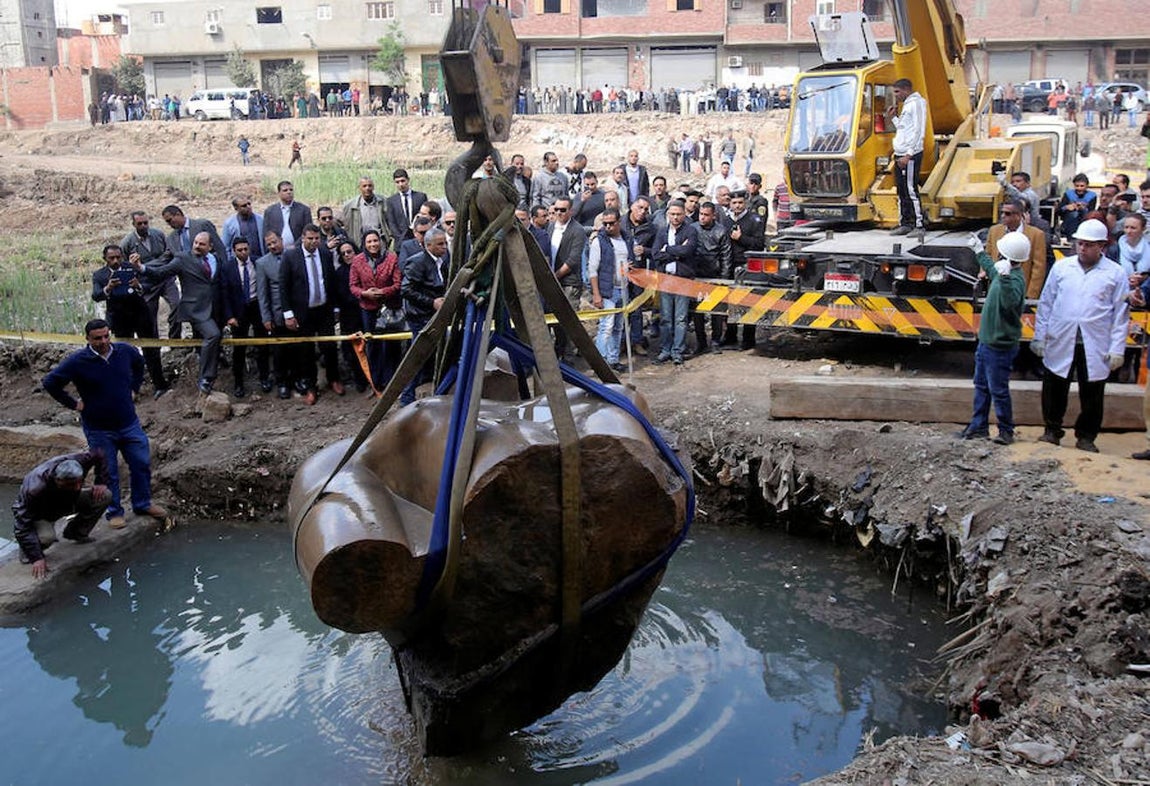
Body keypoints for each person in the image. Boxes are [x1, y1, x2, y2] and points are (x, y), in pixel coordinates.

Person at [41, 319, 168, 533]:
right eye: (97, 338)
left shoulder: (125, 351)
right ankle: (114, 511)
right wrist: (74, 404)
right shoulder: (77, 361)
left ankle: (142, 503)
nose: (103, 341)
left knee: (141, 462)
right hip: (99, 428)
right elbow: (50, 382)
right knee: (108, 471)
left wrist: (134, 388)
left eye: (106, 336)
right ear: (87, 339)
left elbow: (139, 364)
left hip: (128, 423)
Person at [1032, 219, 1129, 452]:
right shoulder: (1062, 268)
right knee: (1055, 385)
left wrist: (1117, 348)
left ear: (1102, 246)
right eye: (1080, 243)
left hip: (1095, 342)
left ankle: (1086, 436)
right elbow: (1046, 303)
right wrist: (1039, 335)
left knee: (1092, 391)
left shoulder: (1115, 273)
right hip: (1061, 337)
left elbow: (1120, 314)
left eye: (1089, 245)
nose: (1083, 248)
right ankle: (1052, 430)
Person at [957, 233, 1030, 445]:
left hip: (1000, 346)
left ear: (1005, 255)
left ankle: (1006, 431)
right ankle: (978, 426)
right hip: (987, 342)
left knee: (998, 390)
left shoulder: (1014, 280)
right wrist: (979, 252)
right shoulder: (1003, 273)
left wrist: (1005, 279)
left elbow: (1009, 303)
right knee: (981, 385)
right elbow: (991, 269)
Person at [143, 231, 225, 394]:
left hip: (216, 309)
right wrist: (142, 268)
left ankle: (214, 366)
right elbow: (162, 272)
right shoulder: (183, 259)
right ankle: (206, 378)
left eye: (202, 244)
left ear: (210, 247)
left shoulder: (216, 259)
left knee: (210, 340)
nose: (197, 246)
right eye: (195, 242)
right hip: (195, 310)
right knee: (213, 335)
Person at [12, 452, 111, 578]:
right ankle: (28, 551)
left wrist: (100, 481)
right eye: (71, 484)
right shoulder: (34, 489)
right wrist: (36, 557)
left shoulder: (79, 461)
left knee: (104, 496)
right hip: (41, 513)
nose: (77, 487)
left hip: (68, 501)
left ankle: (76, 532)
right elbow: (21, 525)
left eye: (79, 482)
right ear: (58, 480)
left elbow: (100, 455)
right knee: (47, 538)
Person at [91, 243, 170, 397]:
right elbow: (96, 295)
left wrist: (138, 285)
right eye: (111, 258)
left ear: (122, 256)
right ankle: (129, 387)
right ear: (104, 259)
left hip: (141, 315)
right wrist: (108, 288)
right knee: (123, 353)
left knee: (151, 350)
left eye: (118, 257)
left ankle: (160, 385)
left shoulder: (133, 268)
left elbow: (150, 283)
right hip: (119, 319)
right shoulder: (99, 275)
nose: (115, 261)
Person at [279, 223, 342, 405]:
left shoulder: (325, 253)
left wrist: (335, 308)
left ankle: (333, 379)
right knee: (305, 351)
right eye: (310, 239)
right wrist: (288, 314)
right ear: (303, 238)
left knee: (329, 347)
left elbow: (331, 282)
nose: (314, 242)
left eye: (317, 238)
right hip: (303, 312)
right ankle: (311, 387)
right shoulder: (291, 257)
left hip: (324, 310)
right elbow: (283, 287)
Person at [349, 230, 403, 393]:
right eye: (369, 242)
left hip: (389, 308)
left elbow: (398, 283)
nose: (373, 244)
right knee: (372, 345)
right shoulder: (357, 261)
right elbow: (353, 285)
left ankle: (391, 380)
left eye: (375, 241)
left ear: (380, 242)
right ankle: (376, 381)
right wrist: (365, 293)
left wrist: (383, 292)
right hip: (368, 309)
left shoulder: (391, 258)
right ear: (364, 244)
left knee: (391, 345)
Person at [400, 229, 450, 405]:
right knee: (418, 356)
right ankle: (407, 397)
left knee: (441, 353)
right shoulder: (417, 262)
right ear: (429, 245)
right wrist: (431, 302)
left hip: (435, 316)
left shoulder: (442, 260)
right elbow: (406, 289)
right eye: (440, 244)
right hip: (420, 317)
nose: (444, 247)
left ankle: (441, 391)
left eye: (445, 243)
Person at [220, 237, 271, 398]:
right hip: (239, 310)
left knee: (262, 345)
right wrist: (229, 316)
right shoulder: (227, 267)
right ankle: (238, 383)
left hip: (257, 307)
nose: (243, 252)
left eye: (245, 249)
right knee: (239, 348)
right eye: (239, 250)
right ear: (234, 251)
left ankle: (265, 378)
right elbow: (224, 293)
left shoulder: (258, 262)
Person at [120, 210, 182, 341]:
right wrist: (133, 267)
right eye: (139, 224)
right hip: (147, 283)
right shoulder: (127, 242)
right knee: (149, 315)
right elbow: (124, 266)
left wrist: (145, 266)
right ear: (133, 224)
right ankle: (154, 345)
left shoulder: (158, 234)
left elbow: (168, 254)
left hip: (165, 278)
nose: (143, 226)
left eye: (145, 223)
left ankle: (175, 340)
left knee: (177, 305)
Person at [652, 199, 698, 365]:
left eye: (678, 214)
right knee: (665, 317)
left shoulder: (690, 231)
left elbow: (688, 250)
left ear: (684, 215)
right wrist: (677, 252)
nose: (675, 217)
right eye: (672, 214)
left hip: (682, 280)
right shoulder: (662, 232)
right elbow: (656, 254)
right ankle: (665, 349)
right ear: (667, 215)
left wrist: (668, 249)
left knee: (680, 318)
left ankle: (677, 350)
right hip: (666, 279)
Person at [587, 207, 631, 371]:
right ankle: (601, 363)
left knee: (618, 327)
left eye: (611, 223)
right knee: (606, 326)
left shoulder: (627, 239)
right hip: (607, 290)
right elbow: (592, 270)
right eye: (605, 224)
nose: (608, 227)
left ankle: (613, 359)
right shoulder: (599, 242)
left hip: (624, 288)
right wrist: (596, 294)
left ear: (619, 222)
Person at [886, 78, 927, 235]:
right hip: (900, 153)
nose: (896, 95)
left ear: (906, 90)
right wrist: (894, 118)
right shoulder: (907, 106)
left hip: (910, 155)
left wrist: (909, 154)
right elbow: (904, 129)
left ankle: (919, 225)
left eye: (897, 92)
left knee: (910, 189)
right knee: (901, 189)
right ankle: (905, 223)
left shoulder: (916, 104)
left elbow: (918, 131)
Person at [548, 196, 587, 361]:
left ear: (570, 211)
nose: (558, 213)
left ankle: (569, 357)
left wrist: (554, 276)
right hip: (552, 282)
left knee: (569, 323)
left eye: (562, 210)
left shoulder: (577, 230)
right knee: (554, 322)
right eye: (556, 209)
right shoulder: (551, 227)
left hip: (569, 283)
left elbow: (573, 260)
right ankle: (559, 352)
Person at [254, 231, 291, 399]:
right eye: (269, 244)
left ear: (281, 240)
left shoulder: (293, 255)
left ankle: (299, 379)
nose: (272, 246)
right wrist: (266, 317)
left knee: (297, 348)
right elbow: (262, 294)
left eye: (275, 242)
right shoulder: (262, 263)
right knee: (279, 351)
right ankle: (282, 383)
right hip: (277, 314)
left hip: (296, 312)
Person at [986, 198, 1048, 299]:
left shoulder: (1036, 235)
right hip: (996, 289)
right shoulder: (994, 231)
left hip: (1020, 291)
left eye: (1007, 213)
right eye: (1002, 212)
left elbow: (1039, 268)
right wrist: (984, 271)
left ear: (1019, 215)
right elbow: (988, 255)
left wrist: (1031, 296)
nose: (1003, 216)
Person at [692, 201, 732, 354]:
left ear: (713, 216)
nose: (702, 217)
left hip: (715, 276)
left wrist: (723, 279)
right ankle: (701, 342)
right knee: (697, 312)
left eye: (706, 215)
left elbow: (726, 257)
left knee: (717, 312)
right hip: (697, 276)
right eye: (701, 214)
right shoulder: (693, 228)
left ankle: (715, 341)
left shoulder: (721, 231)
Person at [384, 168, 428, 253]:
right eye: (397, 182)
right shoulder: (391, 201)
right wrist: (401, 239)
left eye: (402, 181)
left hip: (419, 241)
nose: (401, 184)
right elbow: (391, 223)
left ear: (408, 180)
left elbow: (425, 218)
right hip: (400, 244)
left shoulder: (420, 197)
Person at [263, 180, 312, 250]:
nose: (289, 192)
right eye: (285, 190)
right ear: (279, 193)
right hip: (276, 251)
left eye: (291, 190)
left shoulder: (303, 210)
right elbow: (266, 233)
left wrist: (295, 246)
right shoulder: (270, 211)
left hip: (298, 250)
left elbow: (308, 231)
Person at [341, 176, 389, 248]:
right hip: (361, 243)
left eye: (370, 185)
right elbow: (347, 227)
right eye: (364, 186)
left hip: (380, 242)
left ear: (373, 187)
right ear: (359, 188)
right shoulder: (350, 205)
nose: (367, 188)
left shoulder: (383, 202)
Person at [1057, 174, 1096, 240]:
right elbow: (1059, 210)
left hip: (1084, 218)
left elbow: (1092, 211)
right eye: (1077, 186)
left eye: (1082, 186)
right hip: (1069, 219)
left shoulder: (1092, 196)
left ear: (1087, 186)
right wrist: (1066, 207)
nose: (1079, 188)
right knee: (1074, 214)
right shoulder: (1068, 194)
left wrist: (1083, 208)